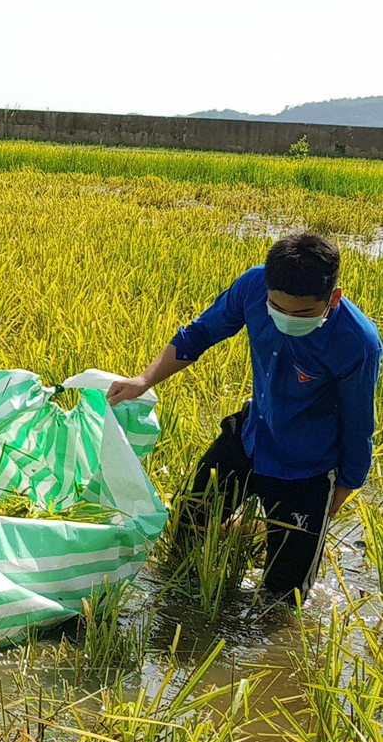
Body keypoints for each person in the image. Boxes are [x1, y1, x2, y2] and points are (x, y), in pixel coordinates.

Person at [108, 232, 380, 605]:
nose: (286, 319)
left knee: (285, 597)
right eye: (276, 307)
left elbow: (359, 423)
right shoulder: (254, 285)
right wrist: (144, 379)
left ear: (334, 297)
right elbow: (200, 333)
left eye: (301, 314)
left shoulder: (358, 342)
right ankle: (239, 533)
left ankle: (255, 532)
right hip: (253, 432)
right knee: (188, 521)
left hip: (307, 467)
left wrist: (344, 488)